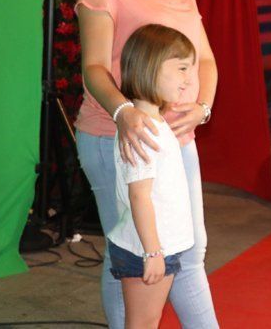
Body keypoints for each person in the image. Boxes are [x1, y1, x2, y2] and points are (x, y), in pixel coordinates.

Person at [75, 0, 219, 328]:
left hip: (177, 138)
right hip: (118, 137)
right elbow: (93, 67)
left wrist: (202, 109)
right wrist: (122, 113)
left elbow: (206, 61)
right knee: (137, 252)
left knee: (187, 248)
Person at [108, 24, 197, 328]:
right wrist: (153, 252)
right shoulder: (144, 130)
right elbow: (139, 195)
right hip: (146, 247)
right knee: (143, 323)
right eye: (183, 68)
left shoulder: (152, 122)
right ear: (152, 66)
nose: (189, 79)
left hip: (153, 245)